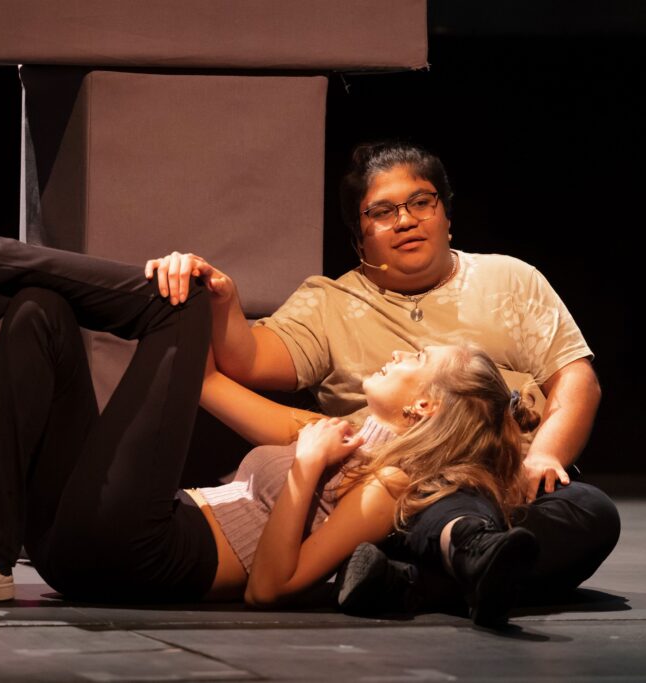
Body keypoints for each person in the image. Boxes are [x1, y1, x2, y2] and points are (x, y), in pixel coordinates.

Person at [0, 154, 543, 613]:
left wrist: (304, 475)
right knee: (41, 309)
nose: (392, 357)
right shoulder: (333, 432)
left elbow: (270, 588)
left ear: (422, 406)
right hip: (72, 543)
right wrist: (214, 292)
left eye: (412, 359)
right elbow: (202, 381)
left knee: (172, 305)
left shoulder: (386, 486)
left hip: (139, 552)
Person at [146, 141, 620, 623]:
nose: (406, 220)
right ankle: (454, 558)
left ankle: (408, 585)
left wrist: (544, 455)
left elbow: (576, 378)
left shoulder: (511, 279)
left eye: (421, 202)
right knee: (428, 495)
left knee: (590, 511)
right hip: (395, 495)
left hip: (510, 477)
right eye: (382, 211)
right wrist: (223, 299)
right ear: (360, 236)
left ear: (446, 214)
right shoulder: (329, 304)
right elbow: (247, 360)